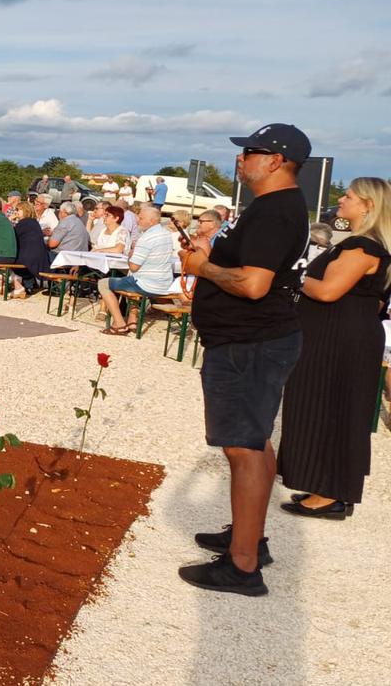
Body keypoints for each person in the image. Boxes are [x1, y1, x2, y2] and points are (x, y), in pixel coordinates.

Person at [178, 123, 312, 597]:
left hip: (250, 345)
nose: (241, 159)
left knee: (244, 447)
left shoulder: (276, 211)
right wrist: (212, 255)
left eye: (251, 152)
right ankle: (247, 536)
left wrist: (203, 267)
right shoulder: (272, 208)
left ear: (277, 160)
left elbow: (254, 285)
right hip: (250, 342)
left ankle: (242, 565)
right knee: (254, 440)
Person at [277, 178, 391, 519]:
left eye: (349, 196)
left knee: (331, 409)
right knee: (325, 407)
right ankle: (322, 485)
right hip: (338, 337)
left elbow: (328, 291)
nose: (342, 200)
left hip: (339, 342)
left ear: (368, 205)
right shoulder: (357, 245)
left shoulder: (363, 247)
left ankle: (330, 492)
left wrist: (295, 278)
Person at [98, 205, 174, 333]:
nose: (138, 220)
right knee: (130, 281)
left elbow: (133, 267)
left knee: (103, 283)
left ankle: (119, 323)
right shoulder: (166, 234)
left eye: (141, 218)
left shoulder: (146, 238)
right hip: (165, 283)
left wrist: (130, 255)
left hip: (147, 284)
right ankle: (132, 320)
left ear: (151, 221)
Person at [12, 202, 50, 298]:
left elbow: (12, 237)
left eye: (18, 210)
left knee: (9, 260)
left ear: (25, 211)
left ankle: (25, 285)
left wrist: (9, 220)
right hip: (39, 256)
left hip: (29, 257)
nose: (16, 212)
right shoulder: (34, 222)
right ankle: (29, 284)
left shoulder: (24, 223)